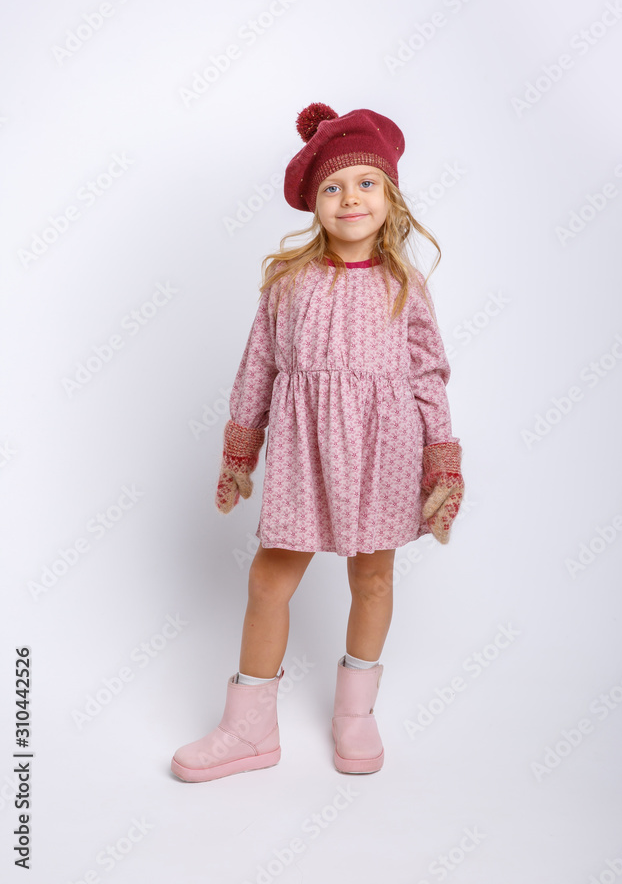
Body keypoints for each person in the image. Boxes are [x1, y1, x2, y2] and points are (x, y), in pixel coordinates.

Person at [170, 102, 464, 782]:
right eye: (332, 187)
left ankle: (354, 715)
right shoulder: (288, 283)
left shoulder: (404, 286)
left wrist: (440, 461)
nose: (349, 197)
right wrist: (240, 455)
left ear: (389, 195)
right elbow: (257, 368)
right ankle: (248, 730)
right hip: (305, 451)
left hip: (384, 447)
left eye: (365, 182)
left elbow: (428, 375)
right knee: (270, 578)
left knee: (373, 576)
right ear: (313, 204)